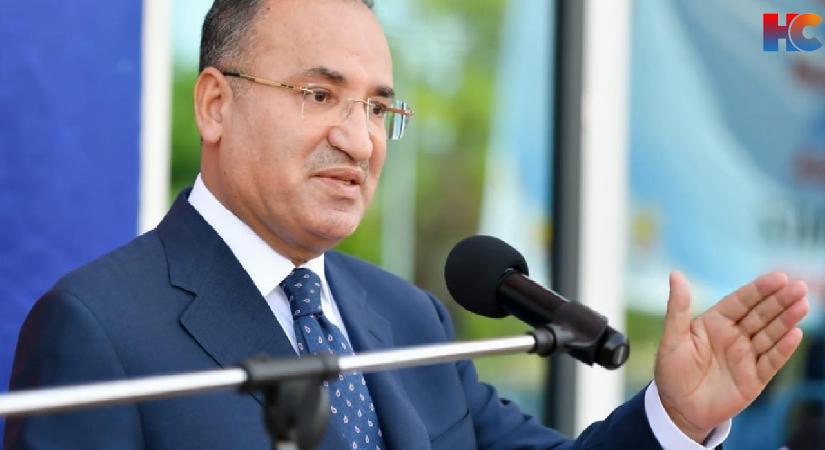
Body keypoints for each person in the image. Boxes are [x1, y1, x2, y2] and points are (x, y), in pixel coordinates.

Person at [3, 0, 810, 449]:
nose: (359, 141)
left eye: (377, 109)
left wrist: (676, 418)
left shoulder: (407, 318)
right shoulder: (99, 329)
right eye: (320, 96)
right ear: (216, 104)